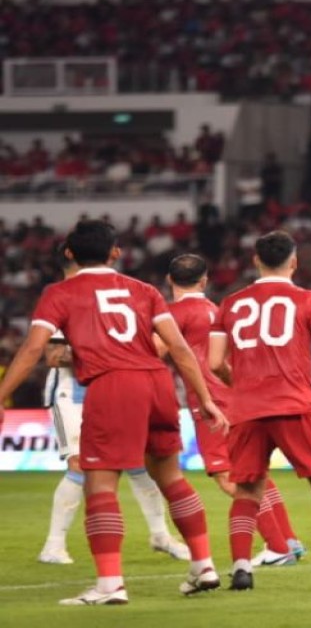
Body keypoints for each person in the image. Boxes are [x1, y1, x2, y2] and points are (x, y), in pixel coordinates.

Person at [0, 220, 229, 606]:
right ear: (116, 253)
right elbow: (179, 348)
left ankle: (109, 585)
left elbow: (33, 350)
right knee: (171, 477)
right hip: (157, 384)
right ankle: (203, 565)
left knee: (100, 484)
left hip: (113, 385)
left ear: (69, 254)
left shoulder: (59, 293)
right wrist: (206, 398)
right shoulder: (145, 290)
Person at [208, 230, 311, 593]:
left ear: (256, 261)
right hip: (295, 404)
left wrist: (245, 385)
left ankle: (240, 569)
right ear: (294, 262)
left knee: (247, 491)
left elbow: (214, 362)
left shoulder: (231, 303)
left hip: (247, 409)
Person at [38, 242, 191, 566]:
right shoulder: (67, 298)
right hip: (72, 394)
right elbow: (53, 357)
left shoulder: (115, 298)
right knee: (80, 466)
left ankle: (160, 534)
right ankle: (53, 545)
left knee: (141, 463)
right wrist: (97, 349)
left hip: (114, 392)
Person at [163, 254, 305, 567]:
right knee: (253, 472)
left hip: (209, 402)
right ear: (204, 280)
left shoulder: (171, 315)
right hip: (235, 395)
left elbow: (156, 352)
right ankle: (289, 540)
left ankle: (278, 546)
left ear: (170, 280)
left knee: (229, 478)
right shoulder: (217, 310)